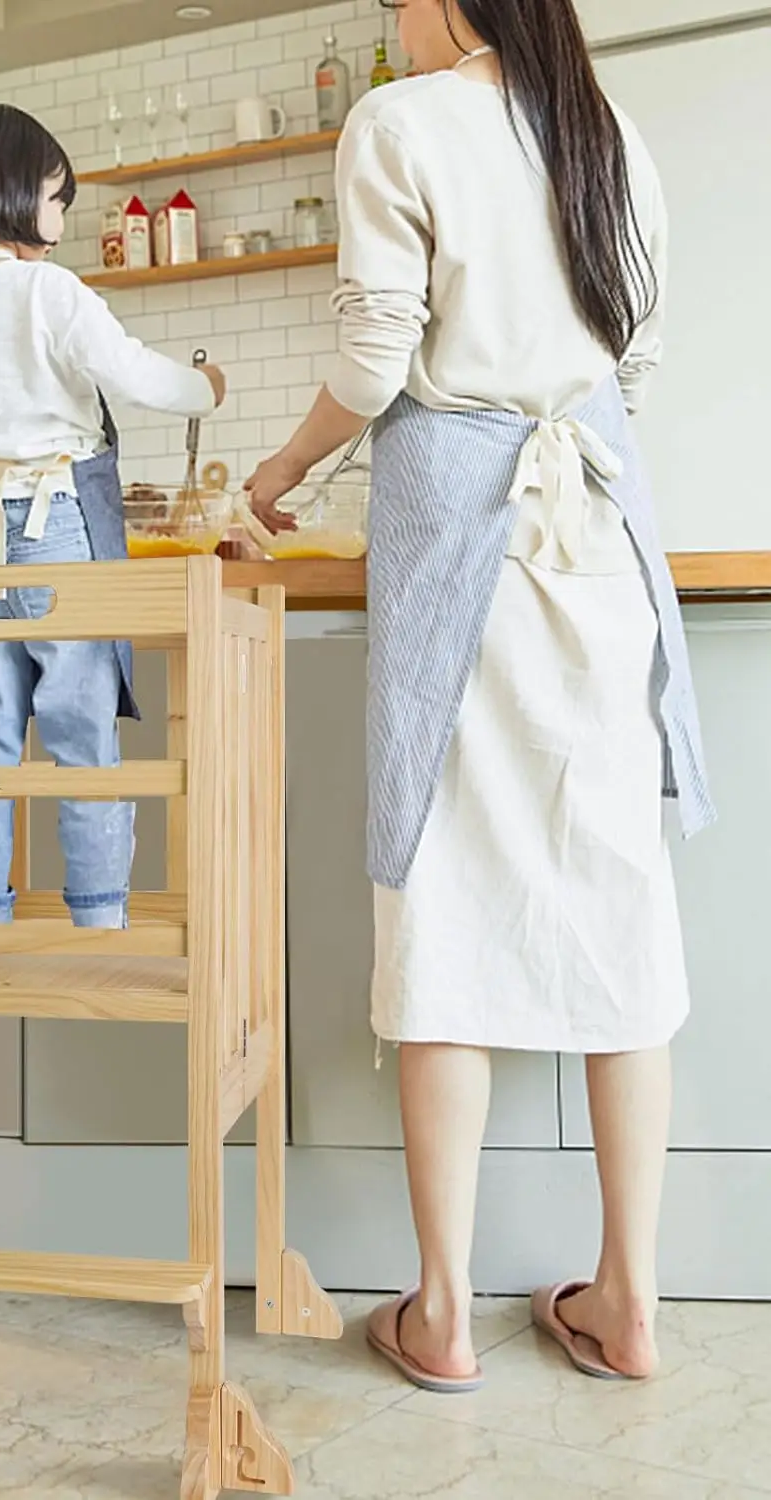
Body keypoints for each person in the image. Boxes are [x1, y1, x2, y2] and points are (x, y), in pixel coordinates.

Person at [245, 0, 713, 1389]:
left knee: (445, 909)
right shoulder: (612, 130)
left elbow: (377, 363)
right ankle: (630, 1301)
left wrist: (280, 478)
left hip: (467, 562)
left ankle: (442, 1311)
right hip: (600, 556)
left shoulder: (400, 119)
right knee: (622, 923)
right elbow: (633, 363)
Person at [0, 102, 227, 928]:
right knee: (82, 736)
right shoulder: (49, 289)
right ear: (11, 194)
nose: (59, 219)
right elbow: (138, 374)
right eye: (56, 198)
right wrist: (207, 391)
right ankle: (98, 919)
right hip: (60, 531)